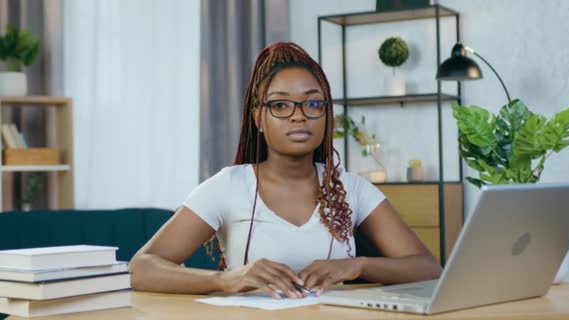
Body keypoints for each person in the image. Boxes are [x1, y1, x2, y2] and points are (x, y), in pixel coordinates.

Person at [129, 42, 441, 299]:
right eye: (280, 105)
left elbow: (427, 267)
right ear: (258, 118)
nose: (298, 117)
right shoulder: (228, 185)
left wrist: (357, 266)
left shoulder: (352, 188)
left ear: (325, 115)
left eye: (313, 104)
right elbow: (141, 268)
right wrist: (227, 280)